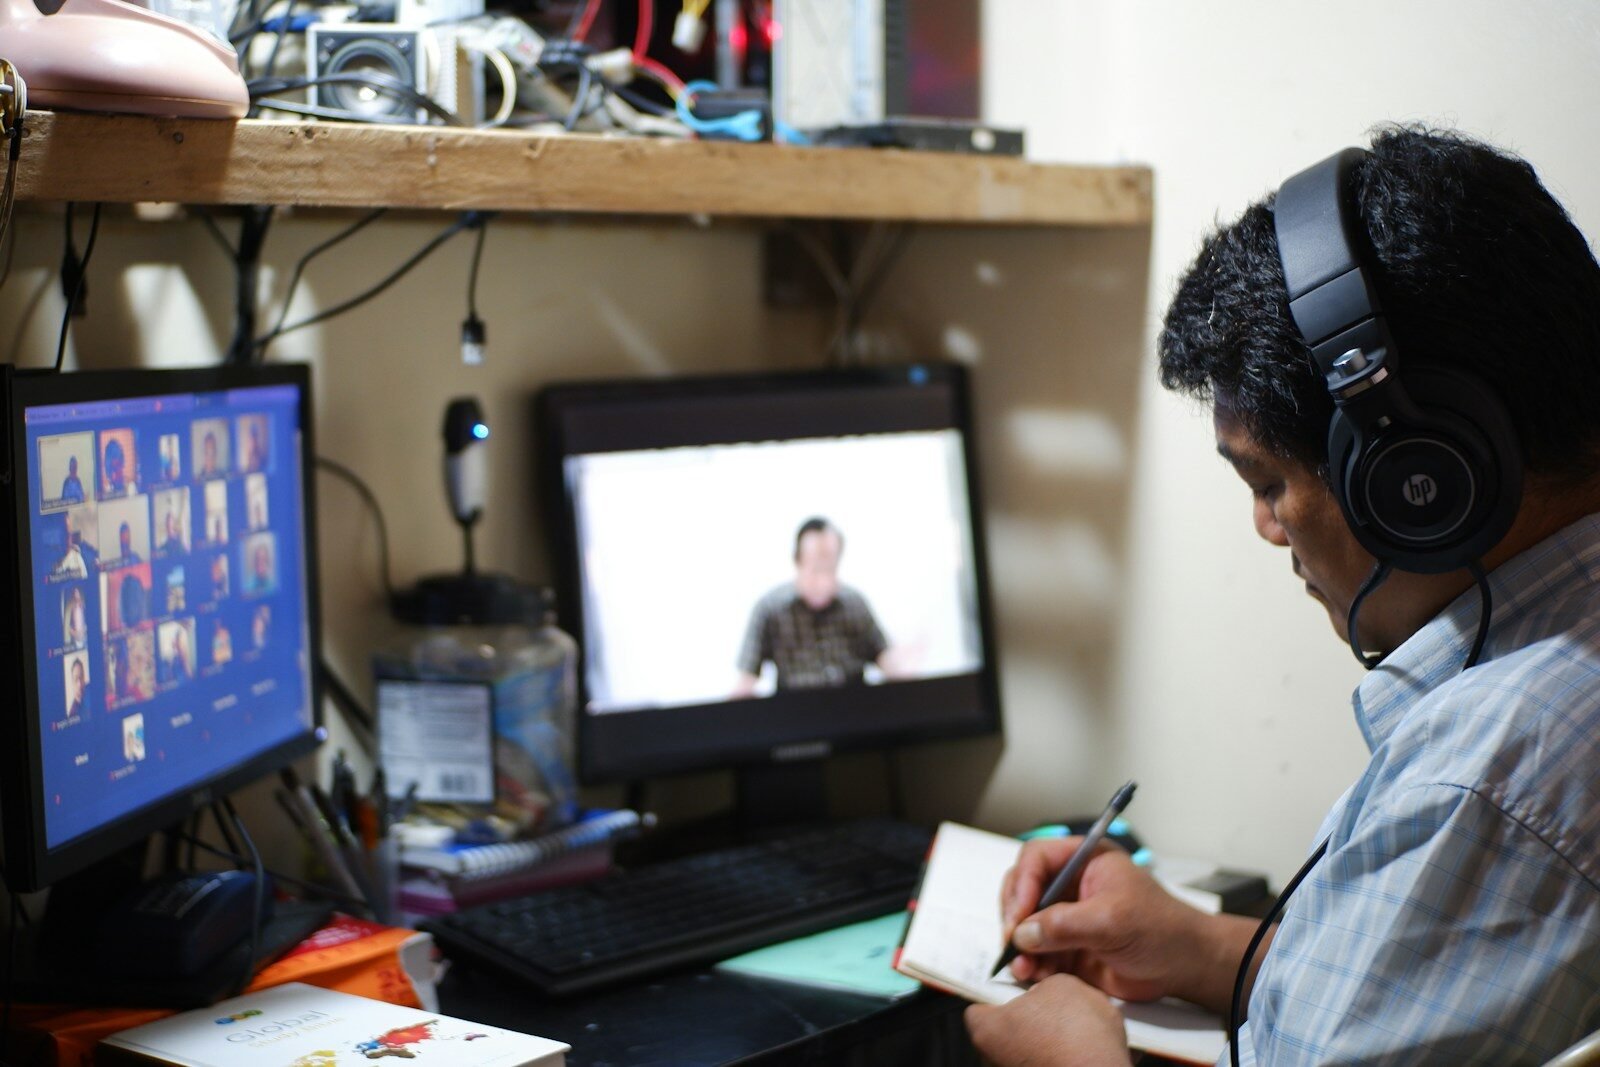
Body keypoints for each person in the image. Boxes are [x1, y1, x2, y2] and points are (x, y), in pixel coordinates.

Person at [964, 127, 1600, 1066]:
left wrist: (1071, 1058)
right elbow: (1435, 993)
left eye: (1267, 482)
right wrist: (1198, 945)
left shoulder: (1495, 779)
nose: (1268, 527)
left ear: (1416, 476)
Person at [732, 517, 901, 695]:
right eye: (816, 569)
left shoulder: (855, 605)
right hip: (795, 708)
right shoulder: (770, 609)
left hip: (853, 706)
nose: (823, 581)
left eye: (830, 568)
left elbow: (887, 661)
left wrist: (903, 663)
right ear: (798, 561)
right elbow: (746, 680)